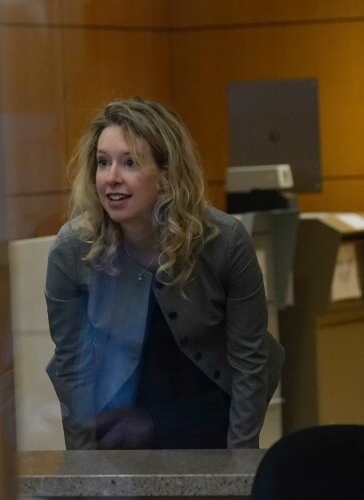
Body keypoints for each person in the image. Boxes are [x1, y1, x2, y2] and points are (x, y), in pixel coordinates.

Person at [45, 96, 284, 450]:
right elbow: (71, 368)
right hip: (122, 417)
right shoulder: (72, 250)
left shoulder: (225, 240)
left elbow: (250, 363)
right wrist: (84, 467)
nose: (111, 178)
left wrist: (241, 464)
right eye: (103, 162)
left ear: (167, 176)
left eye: (129, 163)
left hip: (212, 407)